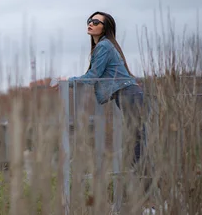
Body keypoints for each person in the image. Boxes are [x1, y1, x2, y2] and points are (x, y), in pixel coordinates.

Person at [56, 11, 148, 178]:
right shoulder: (104, 46)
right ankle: (143, 186)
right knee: (137, 139)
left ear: (105, 28)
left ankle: (145, 187)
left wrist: (69, 81)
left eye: (96, 22)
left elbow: (92, 77)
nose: (91, 23)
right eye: (90, 20)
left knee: (138, 141)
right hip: (128, 94)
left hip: (129, 94)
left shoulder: (104, 46)